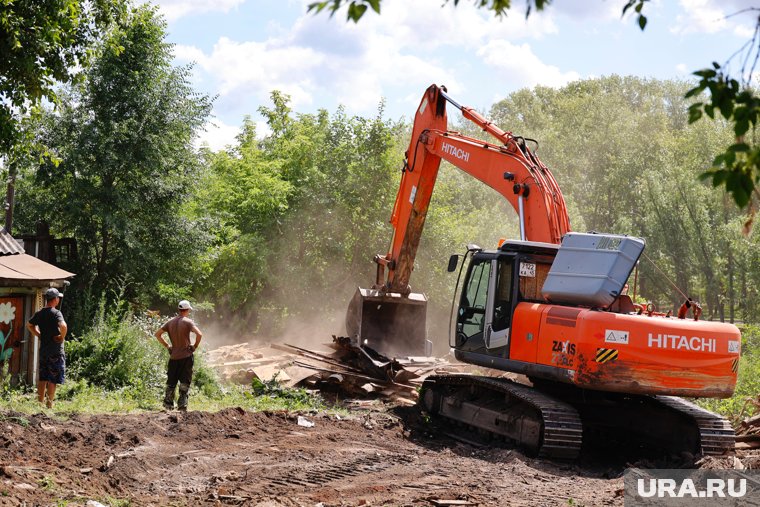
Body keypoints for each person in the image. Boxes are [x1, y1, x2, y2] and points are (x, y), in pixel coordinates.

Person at [154, 300, 203, 411]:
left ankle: (168, 406)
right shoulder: (188, 322)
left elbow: (157, 334)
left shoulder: (170, 322)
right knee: (184, 382)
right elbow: (199, 334)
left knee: (171, 382)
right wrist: (194, 346)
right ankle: (182, 406)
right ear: (187, 310)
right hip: (186, 357)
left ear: (179, 309)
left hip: (173, 357)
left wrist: (168, 346)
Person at [26, 288, 68, 409]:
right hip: (55, 351)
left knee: (43, 377)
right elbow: (63, 325)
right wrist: (61, 336)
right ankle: (49, 405)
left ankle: (39, 404)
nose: (59, 300)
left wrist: (38, 334)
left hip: (44, 351)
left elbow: (29, 325)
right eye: (58, 298)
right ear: (55, 299)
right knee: (53, 379)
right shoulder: (56, 313)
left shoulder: (39, 313)